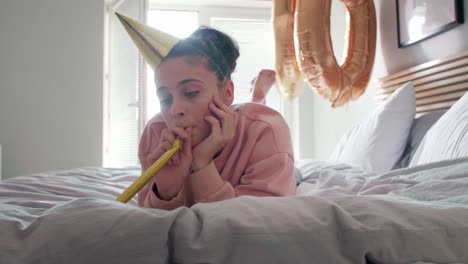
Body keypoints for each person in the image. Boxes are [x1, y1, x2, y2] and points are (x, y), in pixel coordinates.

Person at [134, 26, 296, 210]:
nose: (175, 110)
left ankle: (257, 100)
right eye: (165, 99)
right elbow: (149, 225)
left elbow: (254, 225)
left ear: (227, 92)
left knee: (295, 176)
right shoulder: (156, 133)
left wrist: (201, 164)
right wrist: (165, 191)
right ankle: (256, 97)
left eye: (191, 92)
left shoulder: (266, 129)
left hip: (269, 153)